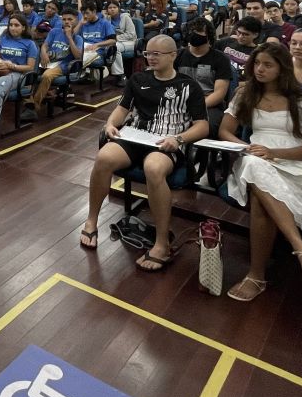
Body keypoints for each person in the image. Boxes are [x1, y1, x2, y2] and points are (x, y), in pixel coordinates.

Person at [80, 35, 209, 270]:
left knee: (153, 167)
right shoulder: (138, 79)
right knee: (104, 157)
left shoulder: (189, 86)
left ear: (173, 55)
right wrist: (110, 124)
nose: (150, 58)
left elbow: (202, 126)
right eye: (148, 53)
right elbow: (122, 109)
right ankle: (91, 221)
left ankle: (161, 244)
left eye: (156, 54)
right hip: (136, 136)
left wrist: (179, 139)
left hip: (166, 141)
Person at [220, 43, 302, 300]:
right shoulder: (245, 94)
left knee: (260, 197)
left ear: (283, 69)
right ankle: (301, 249)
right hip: (255, 157)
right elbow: (225, 131)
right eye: (257, 63)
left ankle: (256, 276)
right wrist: (245, 147)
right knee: (253, 165)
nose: (260, 69)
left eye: (268, 65)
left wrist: (274, 153)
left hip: (296, 162)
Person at [0, 12, 39, 150]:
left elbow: (30, 67)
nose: (12, 28)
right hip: (0, 69)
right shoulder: (4, 38)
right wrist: (2, 62)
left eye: (16, 25)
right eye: (11, 25)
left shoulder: (30, 44)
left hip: (17, 73)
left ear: (23, 27)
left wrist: (12, 66)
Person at [175, 19, 232, 134]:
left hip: (209, 104)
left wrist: (197, 106)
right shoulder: (177, 55)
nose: (194, 34)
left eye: (199, 32)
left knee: (207, 127)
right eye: (192, 31)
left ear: (209, 37)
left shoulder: (221, 59)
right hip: (179, 102)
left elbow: (219, 94)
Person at [30, 7, 82, 116]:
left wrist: (69, 37)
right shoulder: (54, 31)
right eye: (64, 19)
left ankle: (35, 105)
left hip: (63, 65)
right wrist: (43, 53)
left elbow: (78, 56)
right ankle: (36, 97)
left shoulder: (78, 38)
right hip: (49, 61)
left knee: (47, 75)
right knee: (30, 73)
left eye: (70, 19)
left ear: (76, 20)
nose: (66, 22)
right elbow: (45, 45)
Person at [75, 0, 117, 69]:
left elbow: (113, 40)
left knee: (78, 62)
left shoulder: (105, 23)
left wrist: (97, 44)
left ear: (94, 12)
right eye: (83, 14)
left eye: (87, 13)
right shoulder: (83, 23)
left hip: (97, 53)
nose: (85, 16)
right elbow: (72, 37)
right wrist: (80, 24)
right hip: (82, 52)